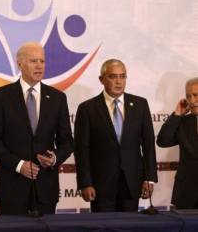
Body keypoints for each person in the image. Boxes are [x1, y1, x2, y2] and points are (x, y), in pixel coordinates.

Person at [0, 42, 73, 215]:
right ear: (20, 64)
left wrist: (54, 158)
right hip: (12, 188)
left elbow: (67, 142)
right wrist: (18, 165)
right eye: (33, 61)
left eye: (42, 61)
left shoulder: (57, 98)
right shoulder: (1, 96)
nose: (39, 65)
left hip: (45, 189)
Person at [74, 59, 158, 212]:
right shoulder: (87, 109)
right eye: (113, 77)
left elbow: (148, 144)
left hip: (132, 182)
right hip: (100, 185)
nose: (119, 82)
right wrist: (85, 182)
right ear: (102, 79)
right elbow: (82, 150)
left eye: (123, 76)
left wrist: (149, 177)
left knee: (130, 227)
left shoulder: (140, 104)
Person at [157, 77, 198, 209]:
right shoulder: (184, 122)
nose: (192, 101)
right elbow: (163, 141)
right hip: (186, 194)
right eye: (188, 96)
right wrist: (177, 114)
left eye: (196, 95)